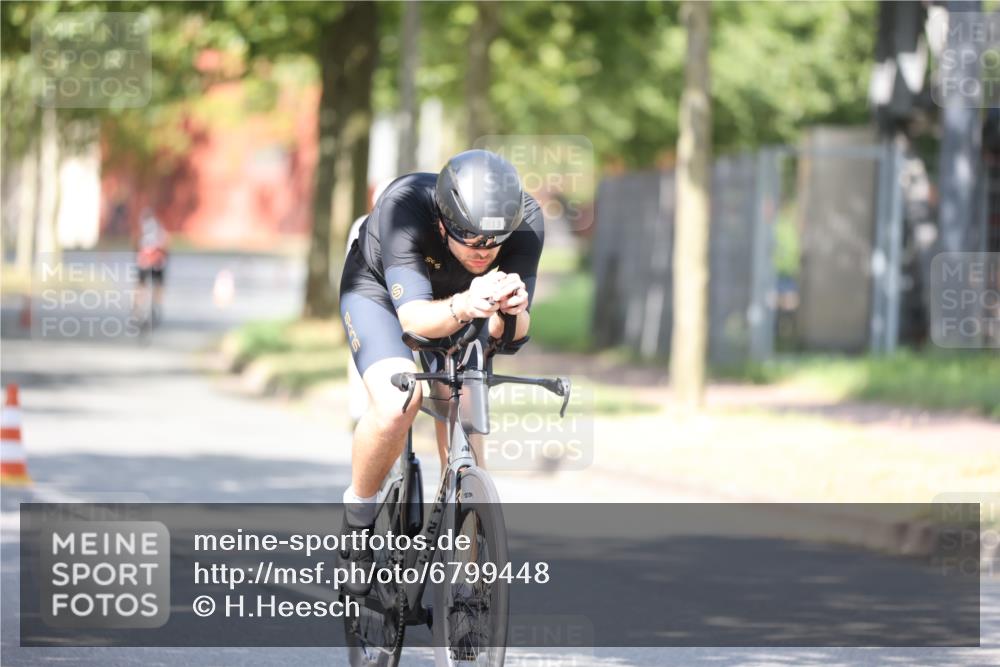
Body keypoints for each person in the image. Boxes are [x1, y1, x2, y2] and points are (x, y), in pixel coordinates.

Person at [337, 150, 544, 595]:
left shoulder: (525, 221)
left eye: (494, 241)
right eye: (470, 238)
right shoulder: (407, 206)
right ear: (443, 223)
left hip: (463, 301)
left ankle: (468, 554)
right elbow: (412, 321)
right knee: (399, 401)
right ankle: (358, 519)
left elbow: (510, 337)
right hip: (380, 292)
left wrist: (514, 309)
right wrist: (465, 304)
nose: (483, 251)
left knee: (465, 399)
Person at [134, 207, 169, 325]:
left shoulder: (141, 228)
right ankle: (156, 306)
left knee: (141, 285)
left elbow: (136, 244)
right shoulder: (160, 229)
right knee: (158, 286)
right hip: (157, 262)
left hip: (145, 261)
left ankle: (138, 310)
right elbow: (166, 244)